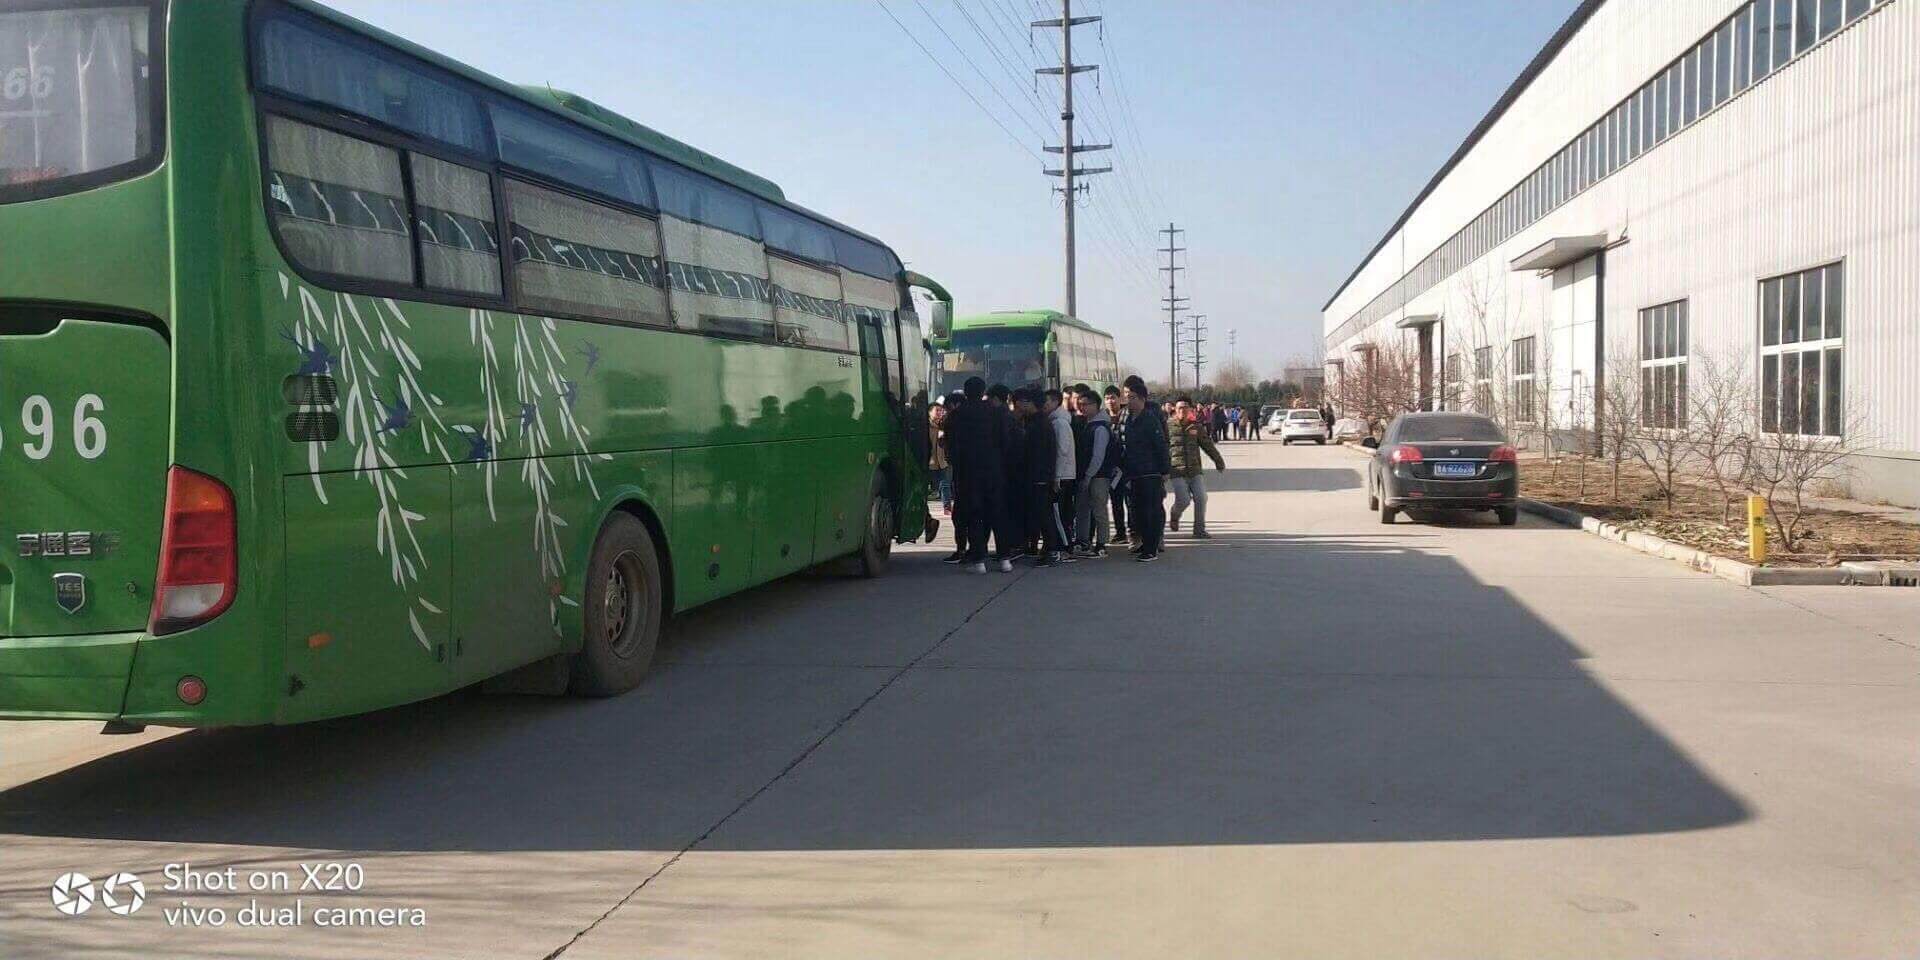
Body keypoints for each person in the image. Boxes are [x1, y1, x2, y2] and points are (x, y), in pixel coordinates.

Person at [944, 378, 1010, 574]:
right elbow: (1005, 442)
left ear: (965, 392)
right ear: (983, 392)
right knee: (998, 513)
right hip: (994, 471)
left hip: (968, 473)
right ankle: (1005, 559)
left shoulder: (957, 415)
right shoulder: (996, 413)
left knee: (975, 515)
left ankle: (979, 560)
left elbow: (952, 446)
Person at [1119, 375, 1171, 562]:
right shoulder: (1128, 419)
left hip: (1150, 472)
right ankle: (1144, 546)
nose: (1129, 401)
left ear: (1142, 399)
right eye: (1127, 397)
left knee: (1152, 511)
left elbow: (1161, 446)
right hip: (1134, 473)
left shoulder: (1150, 419)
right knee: (1138, 512)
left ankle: (1151, 548)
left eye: (1133, 397)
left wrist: (1164, 470)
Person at [1168, 396, 1227, 538]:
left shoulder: (1196, 427)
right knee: (1183, 500)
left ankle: (1199, 530)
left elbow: (1208, 445)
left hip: (1195, 470)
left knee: (1201, 497)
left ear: (1190, 409)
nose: (1182, 410)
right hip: (1177, 471)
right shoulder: (1167, 427)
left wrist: (1218, 461)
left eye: (1185, 407)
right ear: (1175, 410)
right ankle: (1174, 514)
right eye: (1180, 408)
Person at [1072, 386, 1116, 557]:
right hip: (1087, 474)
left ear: (1096, 405)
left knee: (1099, 509)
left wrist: (1089, 476)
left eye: (1087, 404)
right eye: (1080, 404)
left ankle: (1101, 543)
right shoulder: (1087, 425)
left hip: (1099, 476)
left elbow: (1098, 455)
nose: (1083, 407)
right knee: (1082, 509)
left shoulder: (1100, 427)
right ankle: (1083, 541)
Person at [1104, 385, 1130, 545]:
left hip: (1126, 467)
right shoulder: (1103, 418)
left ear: (1119, 399)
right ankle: (1120, 533)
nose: (1110, 401)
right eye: (1107, 398)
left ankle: (1133, 531)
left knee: (1130, 501)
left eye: (1113, 397)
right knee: (1115, 501)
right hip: (1111, 469)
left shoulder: (1126, 415)